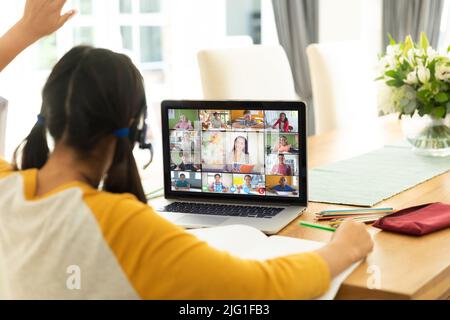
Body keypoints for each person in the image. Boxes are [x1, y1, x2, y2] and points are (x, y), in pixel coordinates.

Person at [0, 0, 374, 300]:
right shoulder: (121, 226)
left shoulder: (6, 190)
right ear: (133, 127)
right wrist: (342, 249)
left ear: (48, 114)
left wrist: (24, 31)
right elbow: (260, 289)